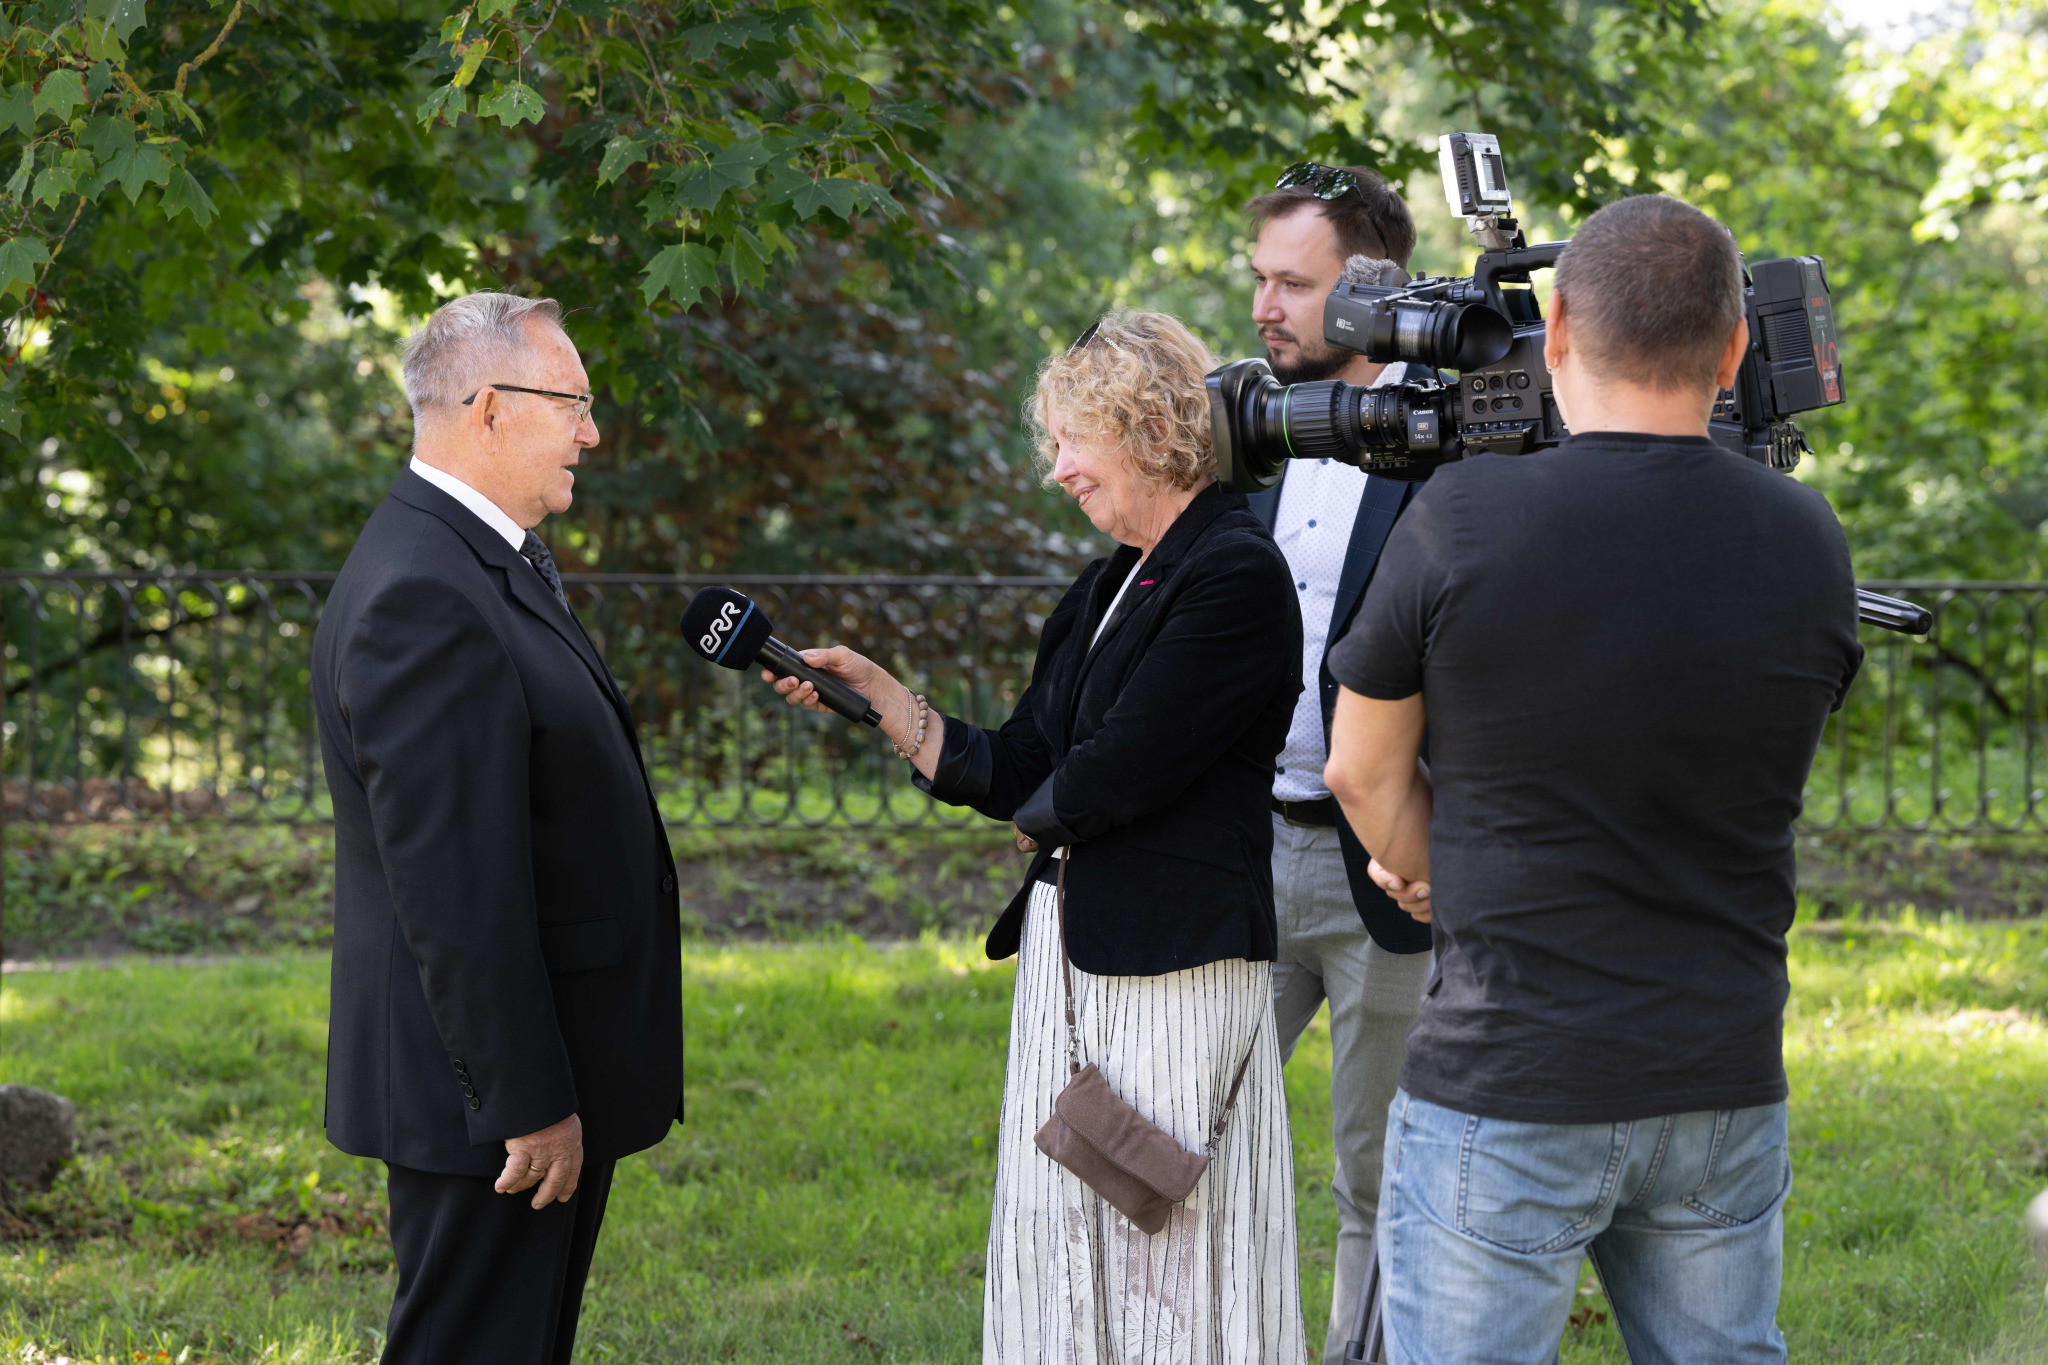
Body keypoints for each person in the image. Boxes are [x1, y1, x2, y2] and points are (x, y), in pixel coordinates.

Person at [1323, 194, 1863, 1364]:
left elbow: (1357, 769)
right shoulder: (1807, 540)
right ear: (1730, 349)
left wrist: (1431, 876)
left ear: (1556, 328)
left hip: (1507, 1076)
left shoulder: (1458, 518)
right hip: (1720, 1076)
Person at [769, 311, 1309, 1363]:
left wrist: (1047, 812)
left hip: (1173, 967)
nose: (1057, 468)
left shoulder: (1235, 571)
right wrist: (884, 702)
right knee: (1062, 1242)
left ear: (1150, 428)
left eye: (1075, 440)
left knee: (1172, 1255)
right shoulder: (1111, 579)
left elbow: (1122, 769)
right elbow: (1024, 764)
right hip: (1079, 962)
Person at [310, 292, 683, 1365]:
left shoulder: (474, 556)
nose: (592, 431)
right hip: (487, 1105)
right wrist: (526, 1103)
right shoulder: (423, 590)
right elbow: (455, 888)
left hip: (520, 1079)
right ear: (485, 409)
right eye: (572, 402)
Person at [1244, 162, 1434, 1362]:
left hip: (1393, 871)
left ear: (1368, 292)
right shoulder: (1249, 426)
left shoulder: (1457, 442)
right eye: (1255, 278)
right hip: (1245, 854)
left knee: (1376, 1177)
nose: (1263, 306)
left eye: (1290, 285)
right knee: (1178, 1130)